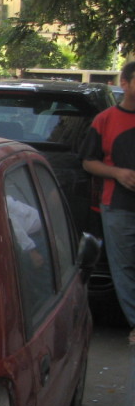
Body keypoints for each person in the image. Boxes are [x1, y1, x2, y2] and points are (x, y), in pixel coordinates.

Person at [80, 60, 135, 343]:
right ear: (124, 83)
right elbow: (88, 162)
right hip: (117, 206)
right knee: (123, 267)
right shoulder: (105, 120)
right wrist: (117, 173)